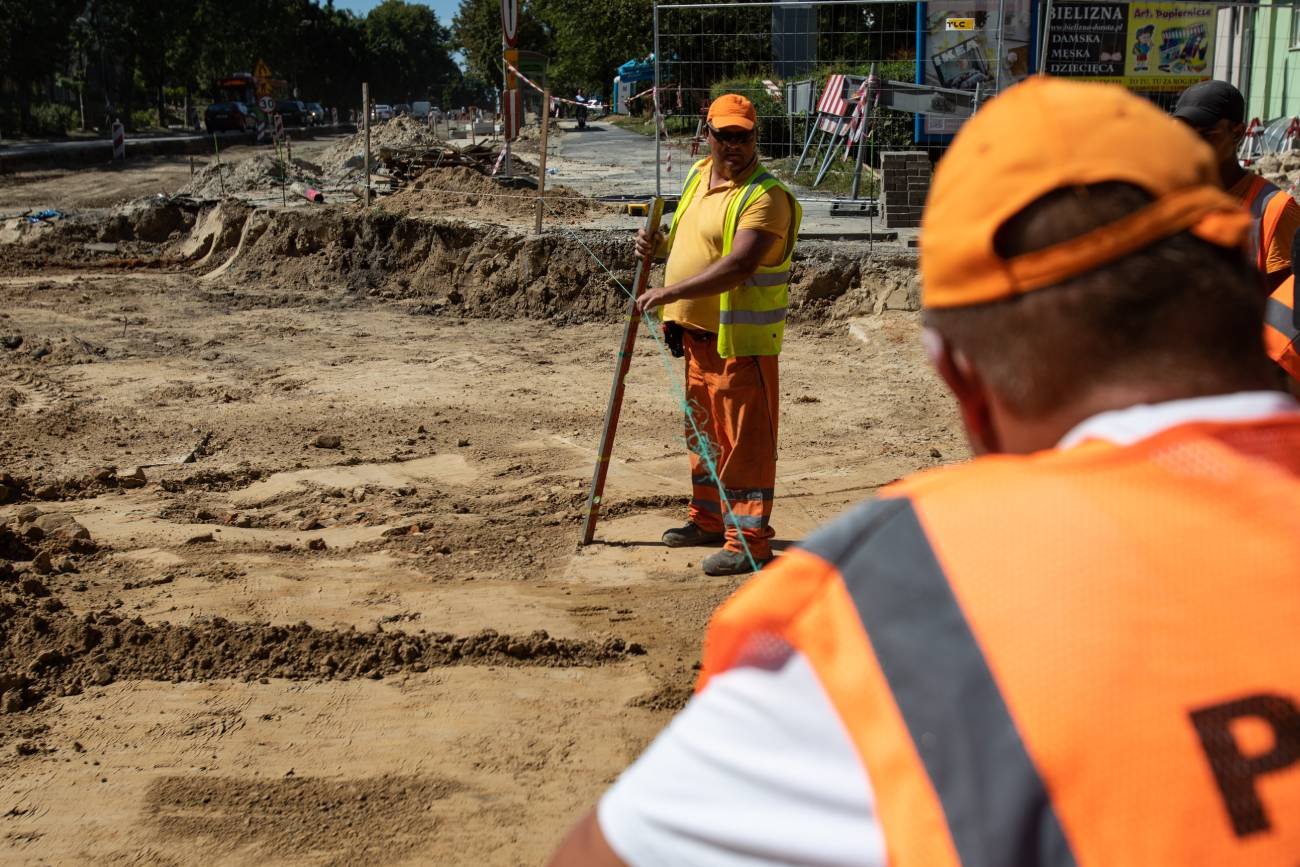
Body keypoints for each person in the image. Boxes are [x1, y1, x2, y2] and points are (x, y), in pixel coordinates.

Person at [550, 77, 1300, 865]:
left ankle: (741, 523)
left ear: (959, 377)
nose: (726, 145)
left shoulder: (892, 593)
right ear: (1231, 271)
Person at [632, 93, 802, 577]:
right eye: (723, 134)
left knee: (742, 446)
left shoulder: (765, 197)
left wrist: (668, 292)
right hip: (693, 337)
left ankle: (747, 540)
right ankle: (707, 519)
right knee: (704, 438)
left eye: (741, 135)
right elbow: (690, 240)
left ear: (756, 136)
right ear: (706, 133)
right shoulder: (697, 175)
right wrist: (658, 244)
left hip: (738, 347)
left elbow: (739, 265)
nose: (732, 145)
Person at [1173, 79, 1300, 291]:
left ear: (1238, 133)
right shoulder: (1169, 198)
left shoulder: (1275, 209)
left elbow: (1283, 307)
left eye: (1206, 135)